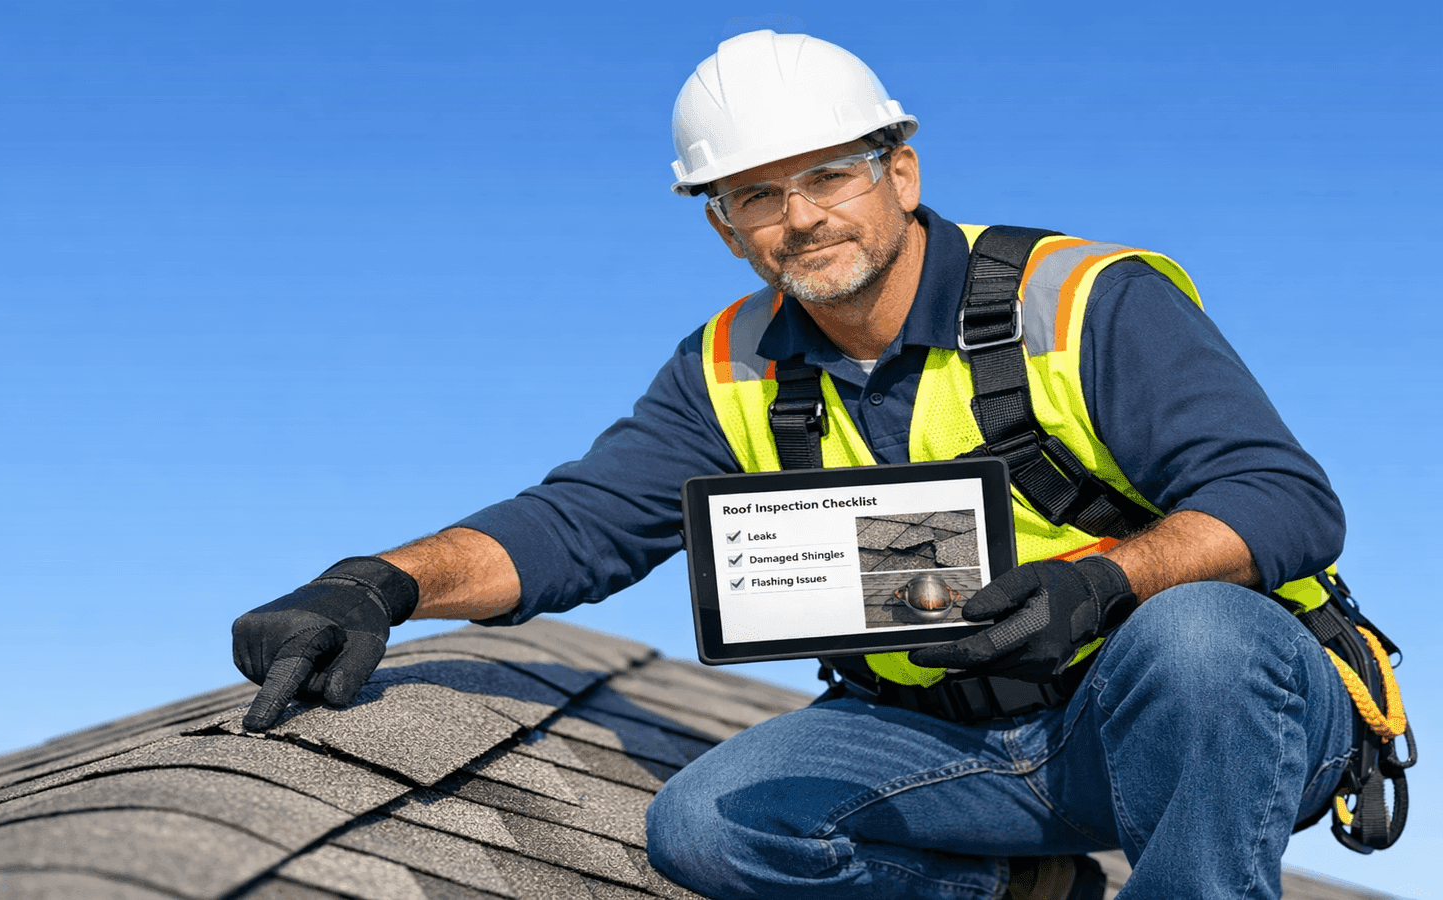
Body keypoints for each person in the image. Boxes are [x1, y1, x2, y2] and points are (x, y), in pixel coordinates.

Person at [231, 31, 1353, 900]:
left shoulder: (1084, 300)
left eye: (828, 175)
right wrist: (378, 582)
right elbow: (577, 523)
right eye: (755, 195)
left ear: (900, 171)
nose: (799, 218)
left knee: (1198, 635)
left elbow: (1284, 500)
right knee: (708, 824)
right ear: (723, 226)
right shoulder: (726, 364)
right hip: (954, 744)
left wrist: (1100, 583)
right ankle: (1019, 889)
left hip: (1194, 726)